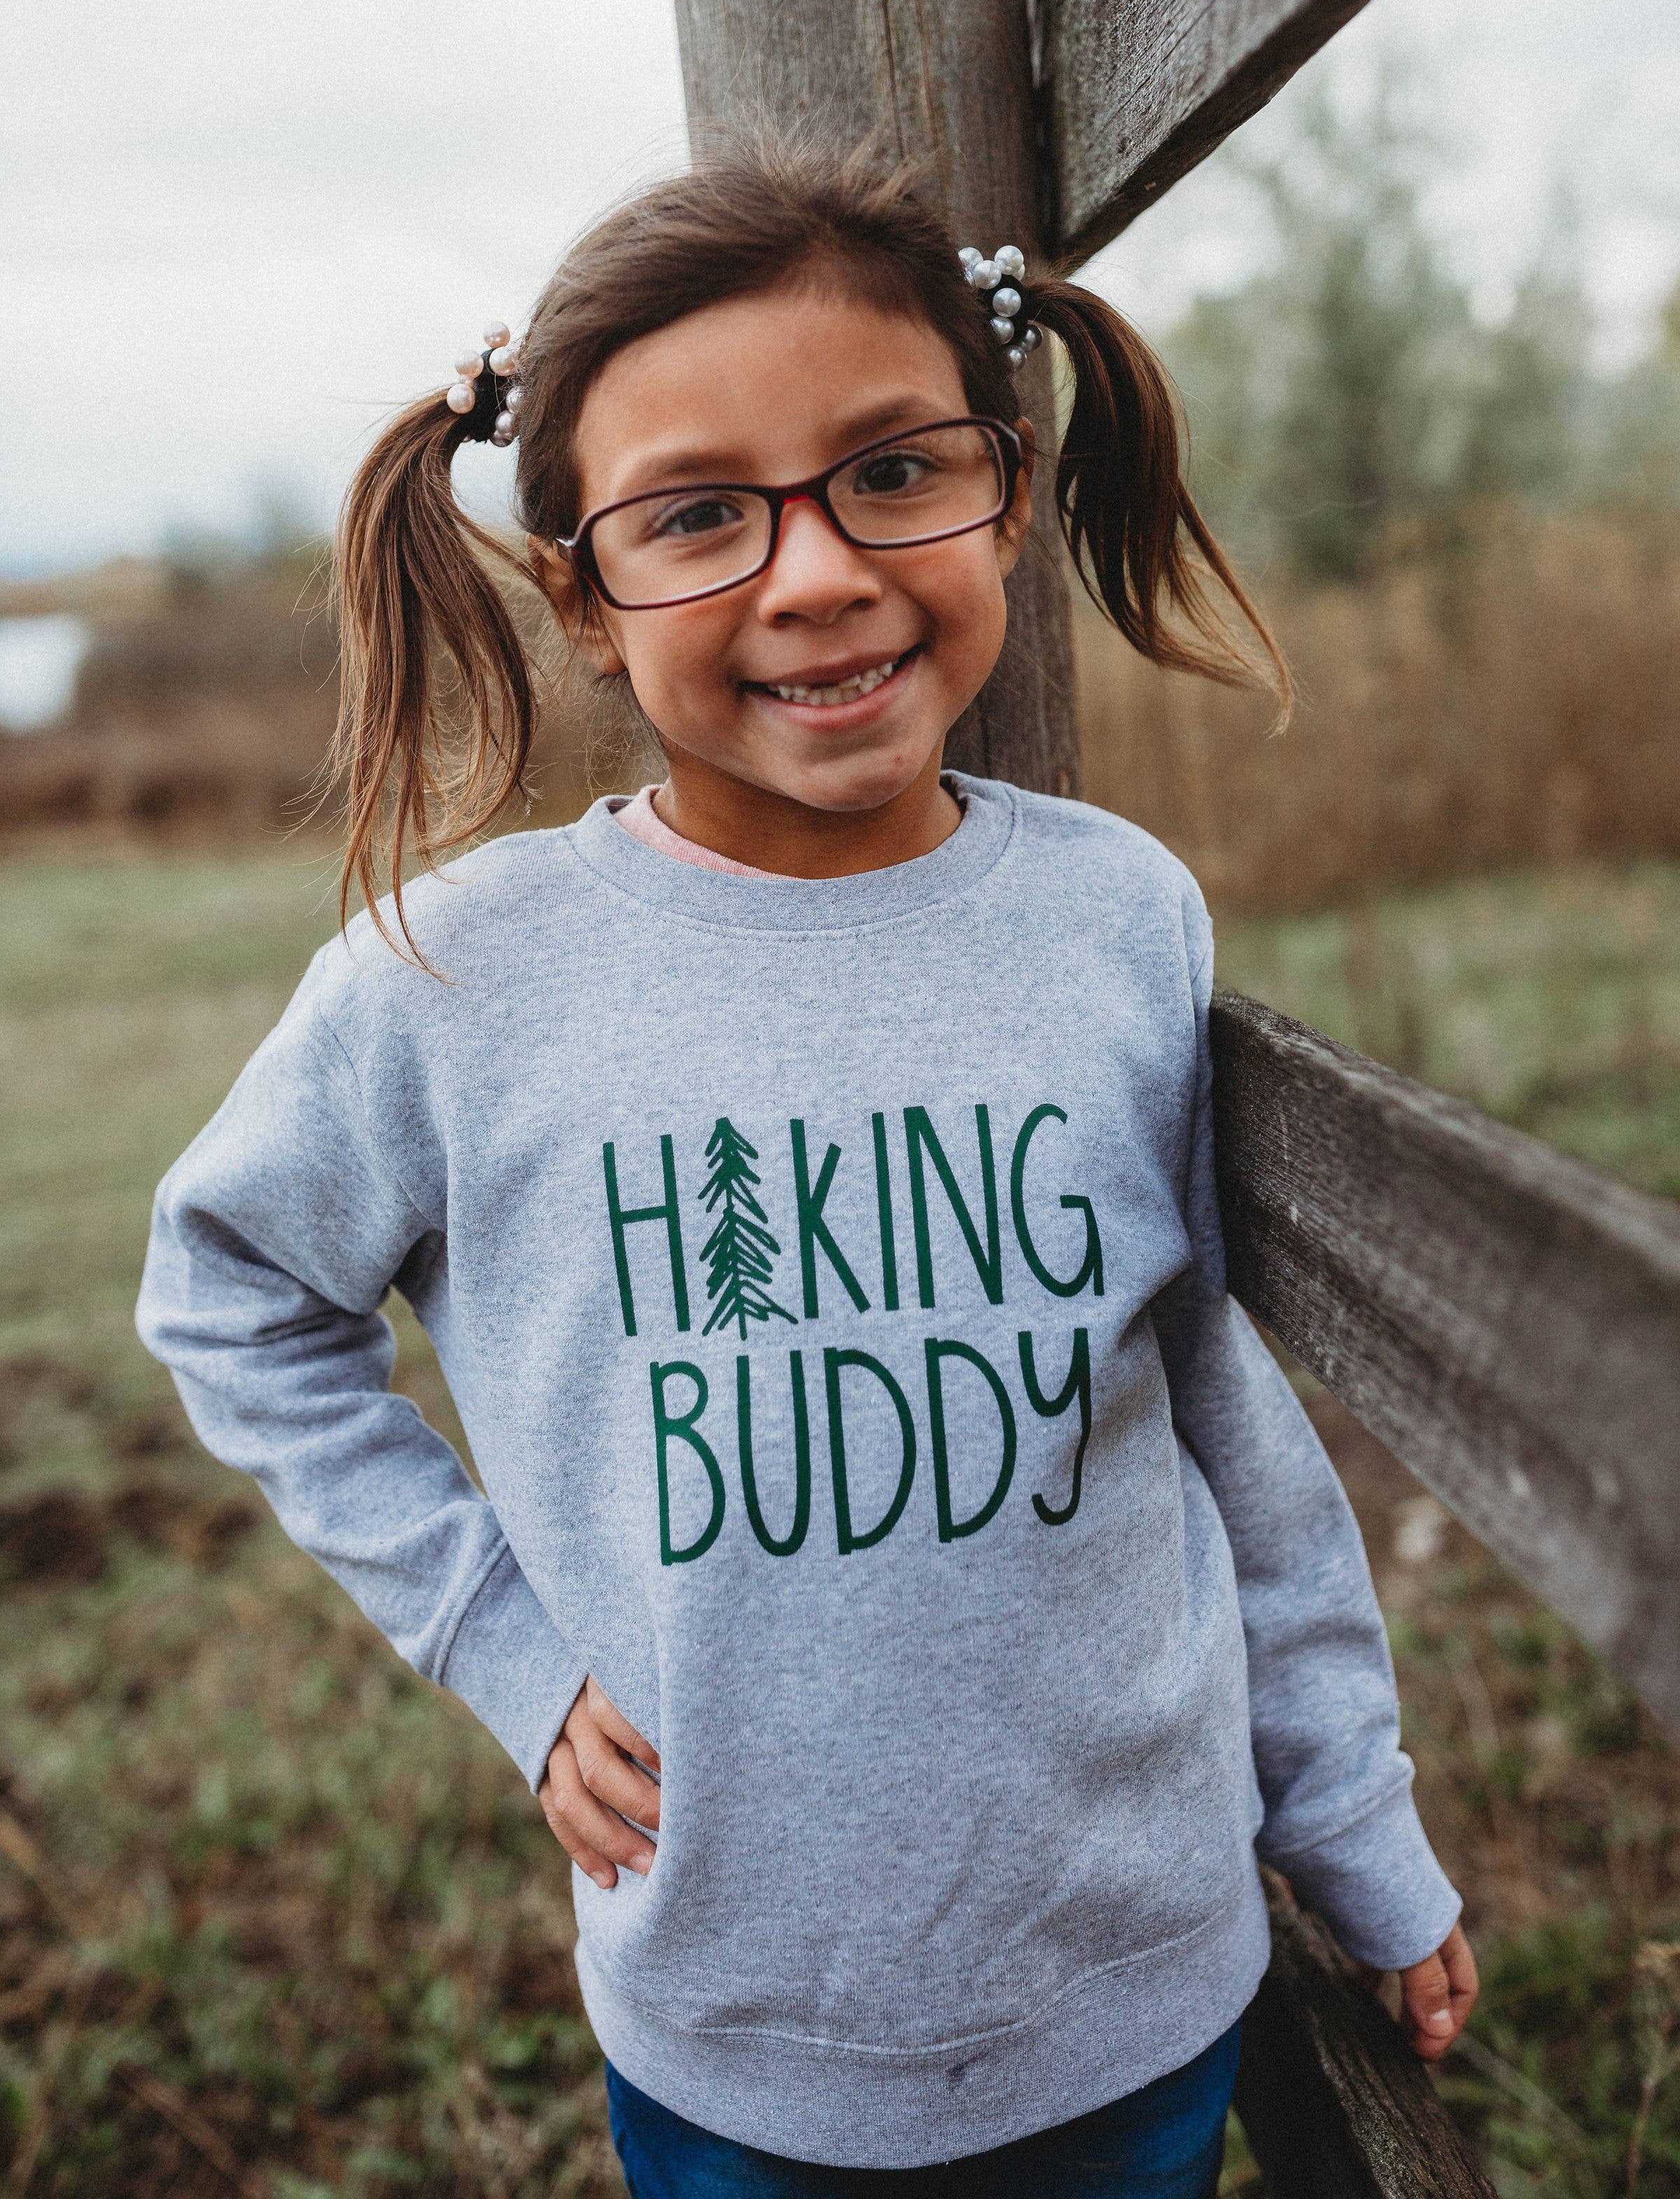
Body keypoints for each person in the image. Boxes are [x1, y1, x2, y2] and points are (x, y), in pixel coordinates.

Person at [136, 138, 1477, 2198]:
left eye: (892, 470)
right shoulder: (457, 980)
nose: (819, 572)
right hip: (734, 2039)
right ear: (582, 595)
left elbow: (1226, 1426)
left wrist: (1357, 1836)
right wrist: (497, 1638)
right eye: (697, 519)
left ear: (1006, 490)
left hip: (1142, 1985)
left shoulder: (1120, 918)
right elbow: (230, 1297)